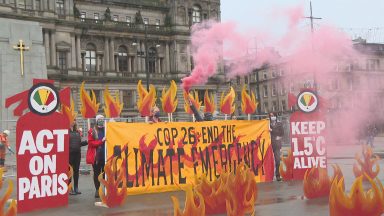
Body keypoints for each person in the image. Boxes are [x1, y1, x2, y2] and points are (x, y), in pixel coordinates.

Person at [86, 115, 106, 198]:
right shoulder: (92, 131)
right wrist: (101, 141)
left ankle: (105, 189)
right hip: (96, 157)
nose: (101, 121)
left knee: (105, 174)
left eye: (102, 119)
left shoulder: (107, 129)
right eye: (100, 120)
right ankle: (97, 190)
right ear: (97, 121)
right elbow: (91, 143)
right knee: (97, 174)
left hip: (105, 156)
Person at [69, 122, 87, 195]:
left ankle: (76, 187)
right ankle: (70, 188)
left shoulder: (77, 132)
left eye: (74, 121)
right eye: (71, 120)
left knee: (76, 172)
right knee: (69, 172)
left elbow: (79, 144)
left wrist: (86, 142)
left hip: (77, 155)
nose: (73, 122)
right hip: (69, 154)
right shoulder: (65, 131)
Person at [269, 112, 284, 181]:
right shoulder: (267, 123)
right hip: (268, 145)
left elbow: (282, 133)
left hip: (276, 145)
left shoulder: (279, 124)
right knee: (269, 161)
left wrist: (272, 130)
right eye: (270, 116)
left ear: (275, 116)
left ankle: (277, 175)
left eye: (273, 115)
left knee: (277, 161)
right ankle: (269, 176)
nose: (272, 117)